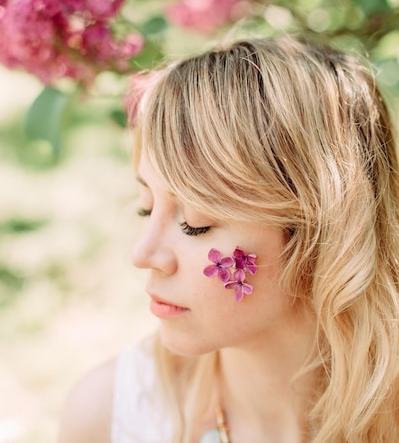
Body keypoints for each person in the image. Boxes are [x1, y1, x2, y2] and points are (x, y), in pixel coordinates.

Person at [58, 36, 399, 443]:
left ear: (324, 231)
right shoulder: (111, 417)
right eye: (146, 207)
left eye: (196, 223)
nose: (143, 255)